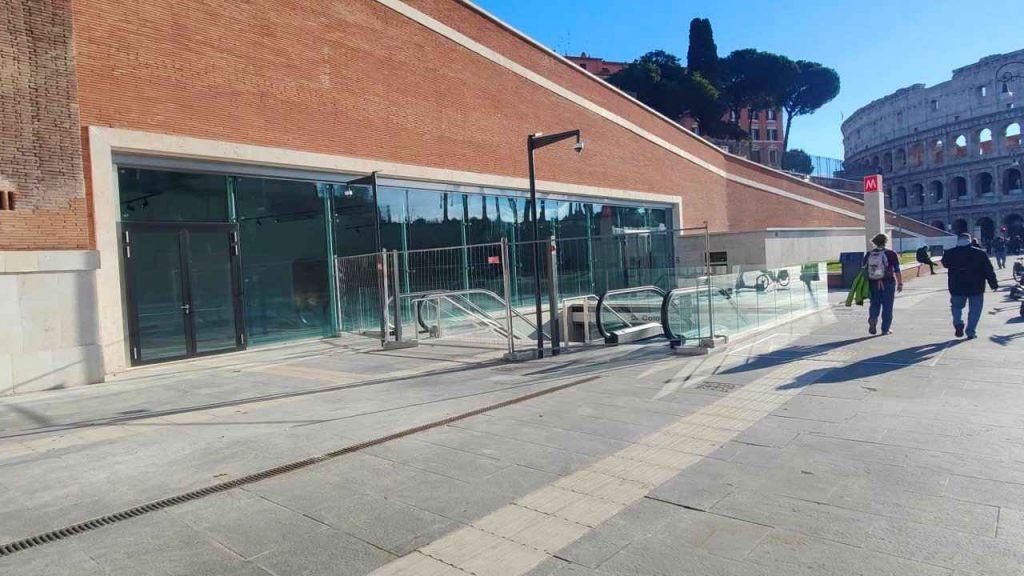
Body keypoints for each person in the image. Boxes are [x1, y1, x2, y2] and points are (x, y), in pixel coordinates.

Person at [942, 233, 998, 339]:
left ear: (958, 240)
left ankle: (958, 323)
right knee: (975, 310)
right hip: (976, 286)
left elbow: (945, 264)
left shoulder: (949, 253)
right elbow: (988, 270)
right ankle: (970, 331)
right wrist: (993, 283)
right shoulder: (980, 253)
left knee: (956, 307)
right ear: (970, 240)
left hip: (956, 285)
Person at [863, 233, 903, 335]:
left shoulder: (869, 254)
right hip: (888, 282)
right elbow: (897, 270)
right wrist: (900, 283)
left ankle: (873, 318)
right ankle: (885, 329)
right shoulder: (891, 254)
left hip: (873, 282)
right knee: (887, 306)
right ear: (886, 242)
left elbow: (864, 269)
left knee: (874, 303)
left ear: (875, 242)